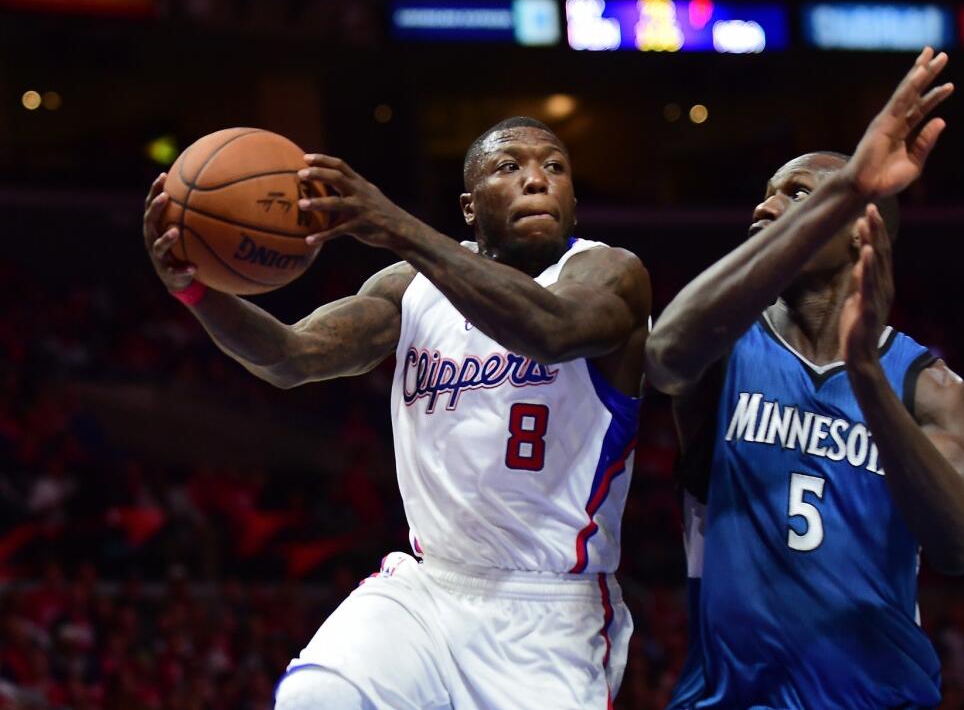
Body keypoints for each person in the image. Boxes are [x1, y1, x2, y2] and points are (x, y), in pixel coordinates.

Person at [141, 116, 651, 709]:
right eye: (509, 167)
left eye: (554, 167)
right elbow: (290, 356)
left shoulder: (609, 272)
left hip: (550, 610)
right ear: (468, 207)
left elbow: (552, 330)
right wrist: (197, 292)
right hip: (429, 589)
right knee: (316, 697)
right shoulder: (412, 286)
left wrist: (397, 226)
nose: (537, 180)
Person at [646, 48, 964, 708]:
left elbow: (961, 544)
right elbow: (665, 355)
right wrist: (854, 180)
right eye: (771, 191)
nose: (766, 203)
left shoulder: (927, 385)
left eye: (800, 196)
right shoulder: (728, 344)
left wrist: (866, 378)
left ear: (862, 232)